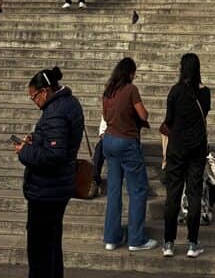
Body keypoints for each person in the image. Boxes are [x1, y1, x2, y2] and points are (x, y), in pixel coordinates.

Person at [15, 67, 85, 278]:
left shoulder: (56, 111)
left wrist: (25, 151)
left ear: (44, 91)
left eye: (34, 96)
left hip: (47, 190)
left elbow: (54, 154)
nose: (34, 101)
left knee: (40, 251)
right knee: (52, 246)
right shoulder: (68, 105)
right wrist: (36, 141)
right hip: (57, 187)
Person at [101, 57, 156, 253]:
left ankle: (111, 238)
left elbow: (105, 117)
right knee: (138, 189)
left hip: (108, 141)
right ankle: (136, 238)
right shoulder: (131, 90)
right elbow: (143, 115)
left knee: (114, 190)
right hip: (127, 142)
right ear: (130, 73)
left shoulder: (108, 91)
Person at [161, 53, 210, 258]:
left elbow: (169, 121)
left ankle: (169, 243)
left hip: (177, 148)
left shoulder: (175, 91)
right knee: (194, 193)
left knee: (173, 194)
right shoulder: (205, 92)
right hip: (197, 148)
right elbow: (204, 114)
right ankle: (192, 243)